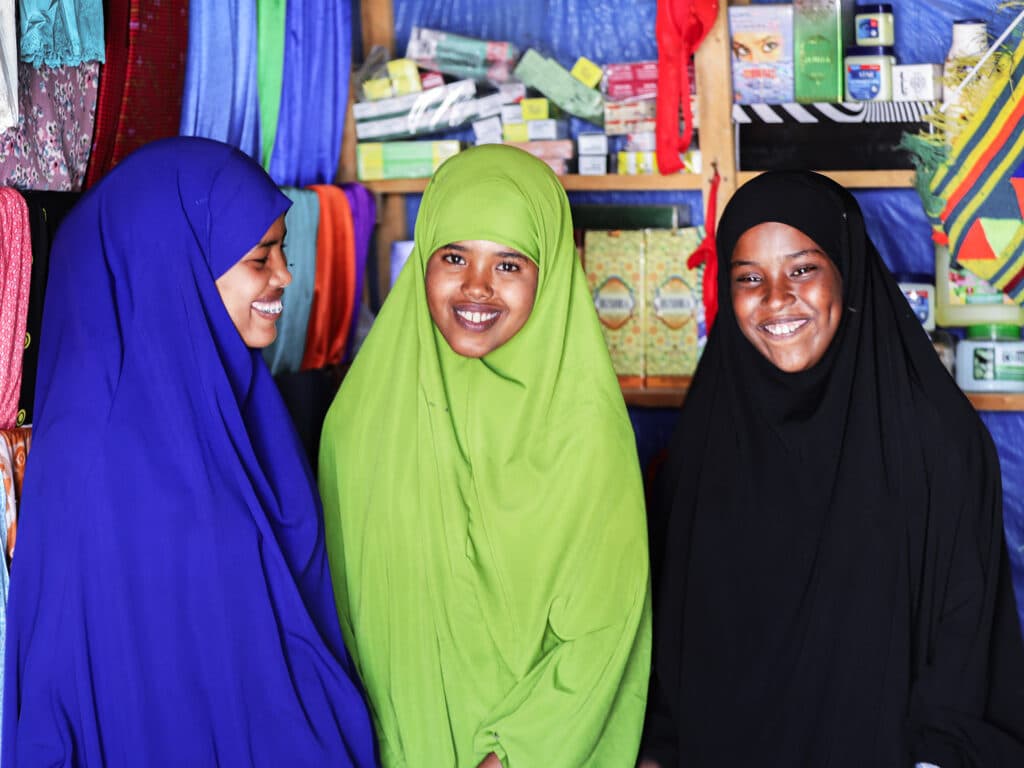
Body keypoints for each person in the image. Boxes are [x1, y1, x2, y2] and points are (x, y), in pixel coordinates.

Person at [2, 137, 378, 767]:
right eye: (261, 258)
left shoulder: (243, 401)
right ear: (174, 268)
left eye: (282, 250)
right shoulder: (101, 465)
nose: (286, 275)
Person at [639, 170, 1024, 768]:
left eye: (801, 270)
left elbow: (964, 656)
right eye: (749, 278)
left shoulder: (937, 444)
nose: (775, 299)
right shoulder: (705, 443)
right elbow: (667, 650)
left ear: (846, 271)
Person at [318, 144, 651, 767]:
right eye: (453, 256)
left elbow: (604, 632)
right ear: (422, 260)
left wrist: (512, 756)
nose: (476, 287)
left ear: (549, 274)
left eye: (508, 265)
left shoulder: (585, 430)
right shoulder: (360, 419)